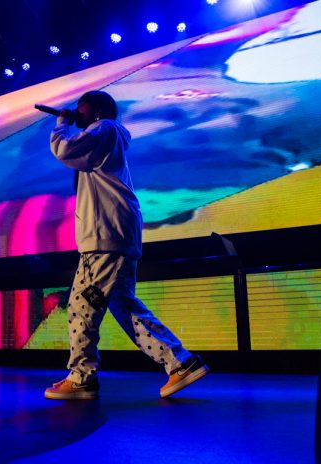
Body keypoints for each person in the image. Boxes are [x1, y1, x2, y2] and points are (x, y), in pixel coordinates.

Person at [43, 90, 208, 400]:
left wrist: (61, 124)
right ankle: (180, 363)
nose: (77, 113)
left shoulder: (105, 128)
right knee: (123, 304)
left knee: (81, 307)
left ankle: (81, 377)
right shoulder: (106, 137)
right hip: (116, 235)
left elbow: (66, 149)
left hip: (105, 237)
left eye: (81, 108)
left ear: (97, 110)